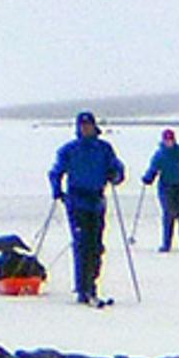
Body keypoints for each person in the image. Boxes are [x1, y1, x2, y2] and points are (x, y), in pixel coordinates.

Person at [48, 112, 126, 305]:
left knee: (96, 246)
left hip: (97, 201)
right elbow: (55, 172)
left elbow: (117, 168)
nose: (86, 128)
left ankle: (91, 283)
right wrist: (57, 191)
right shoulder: (69, 150)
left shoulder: (104, 148)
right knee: (82, 244)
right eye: (82, 126)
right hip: (77, 201)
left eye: (89, 125)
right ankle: (84, 288)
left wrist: (115, 175)